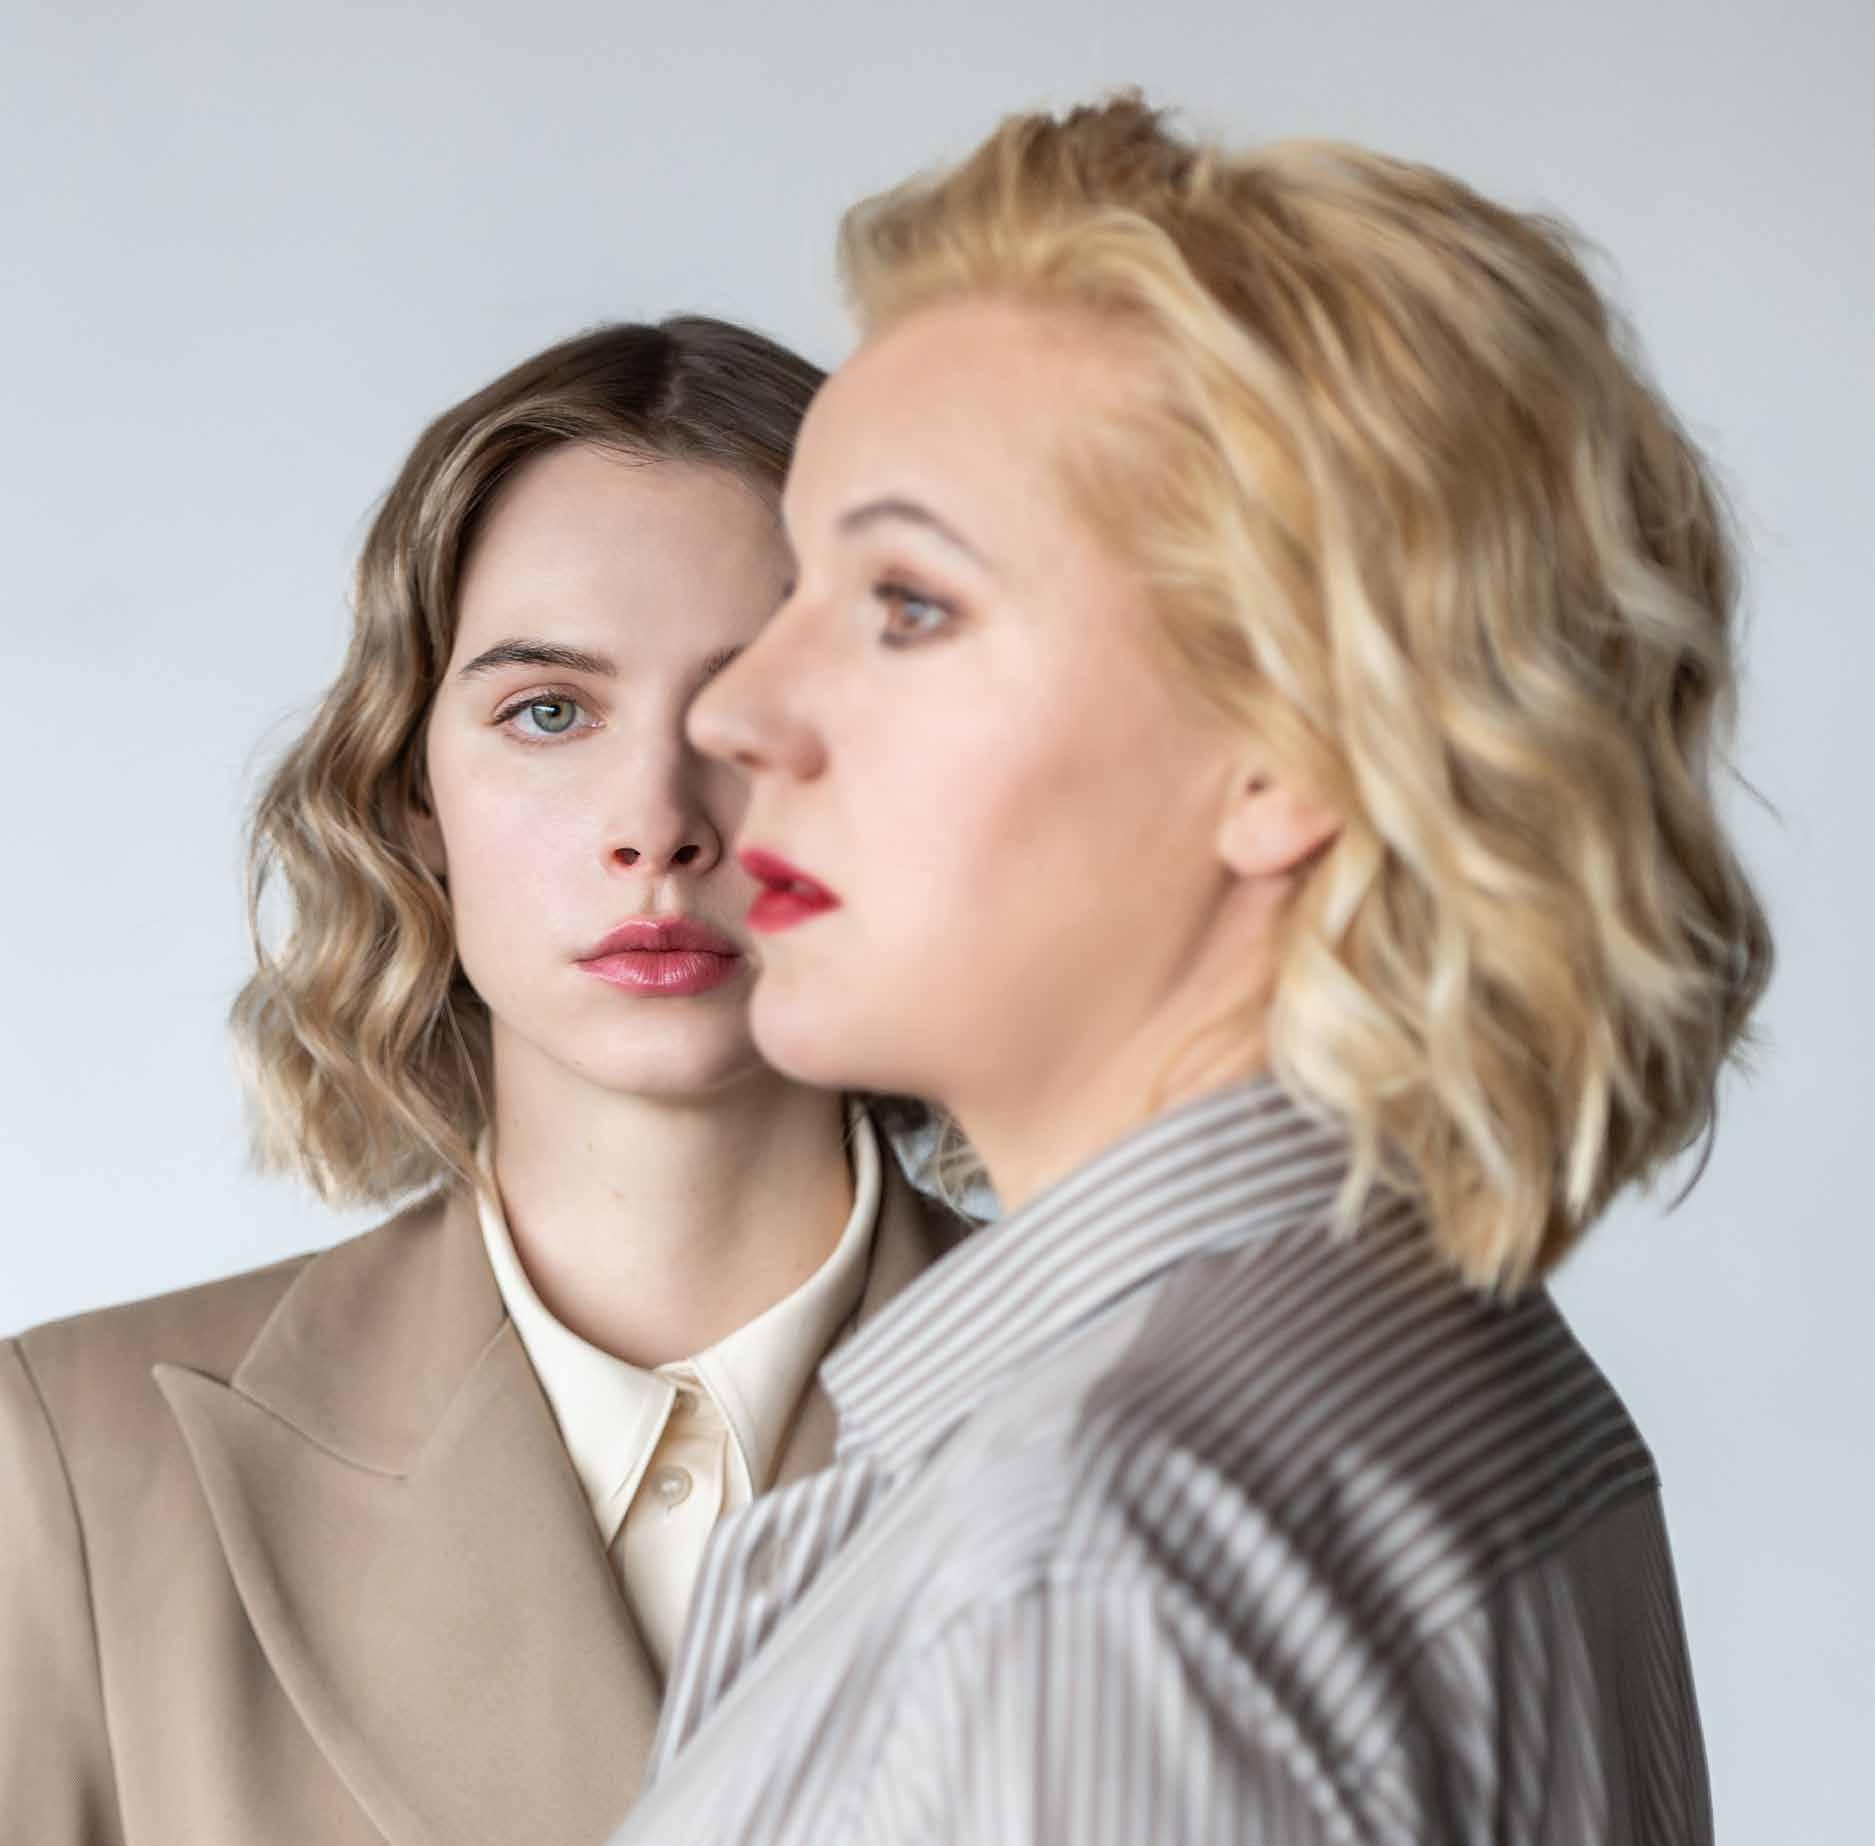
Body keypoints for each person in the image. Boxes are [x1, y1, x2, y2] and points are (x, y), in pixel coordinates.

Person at [609, 99, 1771, 1844]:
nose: (738, 712)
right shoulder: (1457, 1370)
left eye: (908, 604)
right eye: (800, 591)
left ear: (1288, 746)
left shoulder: (1089, 1562)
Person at [0, 316, 972, 1846]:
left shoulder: (1174, 1417)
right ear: (413, 792)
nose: (658, 821)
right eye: (550, 711)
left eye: (752, 711)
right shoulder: (74, 1463)